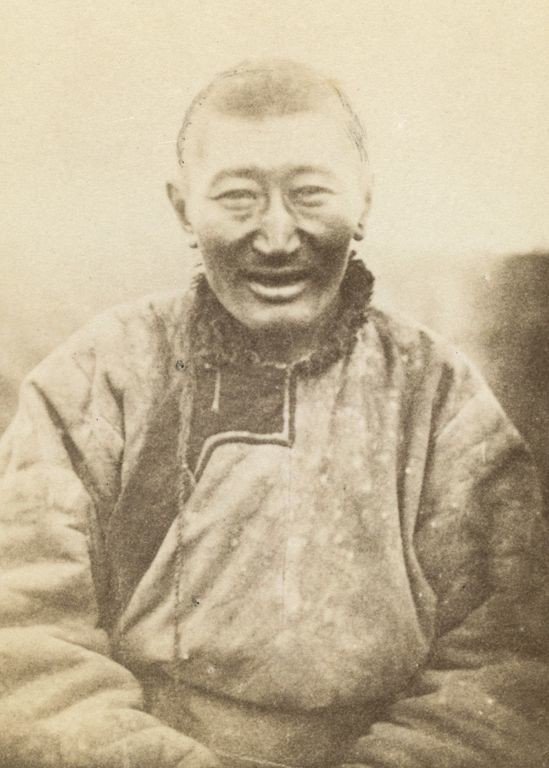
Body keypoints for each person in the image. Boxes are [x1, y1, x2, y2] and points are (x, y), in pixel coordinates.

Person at [0, 59, 548, 768]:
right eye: (238, 198)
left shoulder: (437, 397)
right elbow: (28, 642)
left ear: (364, 201)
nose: (278, 236)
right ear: (182, 210)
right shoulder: (97, 377)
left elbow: (506, 658)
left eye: (310, 194)